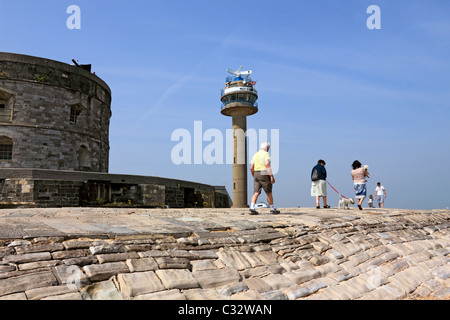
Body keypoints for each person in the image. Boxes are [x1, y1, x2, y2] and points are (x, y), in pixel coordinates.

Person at [249, 142, 280, 215]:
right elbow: (267, 165)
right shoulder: (266, 154)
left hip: (256, 173)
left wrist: (254, 175)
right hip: (264, 173)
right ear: (266, 148)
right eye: (268, 148)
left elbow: (251, 168)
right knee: (269, 192)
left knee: (256, 192)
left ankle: (252, 207)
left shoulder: (255, 155)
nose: (268, 149)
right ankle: (272, 208)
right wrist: (271, 176)